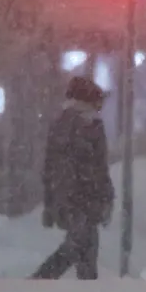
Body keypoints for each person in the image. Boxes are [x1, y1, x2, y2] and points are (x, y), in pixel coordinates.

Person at [32, 75, 115, 280]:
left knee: (85, 246)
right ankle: (40, 281)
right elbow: (97, 168)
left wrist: (51, 203)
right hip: (82, 199)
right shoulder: (90, 126)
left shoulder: (62, 124)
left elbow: (51, 168)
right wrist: (104, 196)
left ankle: (85, 288)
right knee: (79, 245)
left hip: (68, 199)